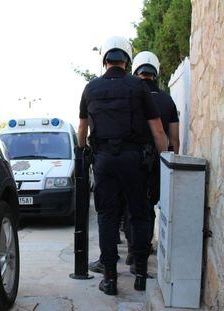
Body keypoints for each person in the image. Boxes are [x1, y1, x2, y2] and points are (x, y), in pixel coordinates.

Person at [78, 36, 168, 295]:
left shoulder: (90, 88)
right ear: (127, 60)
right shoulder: (138, 87)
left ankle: (110, 278)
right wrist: (164, 162)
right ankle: (140, 273)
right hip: (134, 160)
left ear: (105, 59)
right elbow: (157, 129)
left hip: (104, 160)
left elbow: (82, 129)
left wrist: (83, 151)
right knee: (139, 215)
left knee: (107, 217)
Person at [124, 51, 180, 271]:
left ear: (136, 70)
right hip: (156, 162)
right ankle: (143, 254)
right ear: (155, 72)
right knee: (147, 210)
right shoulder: (167, 99)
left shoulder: (130, 94)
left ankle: (131, 251)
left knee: (130, 207)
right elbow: (173, 138)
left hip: (131, 159)